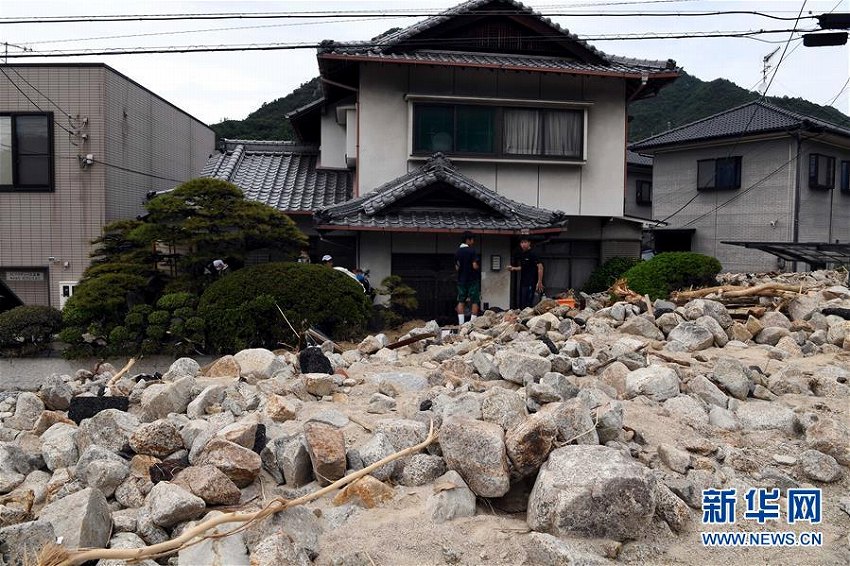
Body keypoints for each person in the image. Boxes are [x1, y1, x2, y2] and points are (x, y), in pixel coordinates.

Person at [508, 237, 543, 309]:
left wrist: (539, 281)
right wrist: (513, 268)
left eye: (525, 242)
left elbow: (540, 267)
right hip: (523, 281)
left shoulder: (533, 253)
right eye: (521, 243)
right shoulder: (523, 254)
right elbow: (523, 267)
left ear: (529, 243)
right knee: (522, 302)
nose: (523, 244)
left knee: (529, 302)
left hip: (532, 281)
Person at [454, 231, 481, 325]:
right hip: (472, 280)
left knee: (461, 301)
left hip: (461, 280)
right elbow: (474, 266)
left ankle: (461, 324)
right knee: (474, 301)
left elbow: (457, 267)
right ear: (468, 240)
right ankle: (472, 324)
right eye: (472, 239)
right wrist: (478, 268)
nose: (473, 241)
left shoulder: (457, 252)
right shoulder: (472, 251)